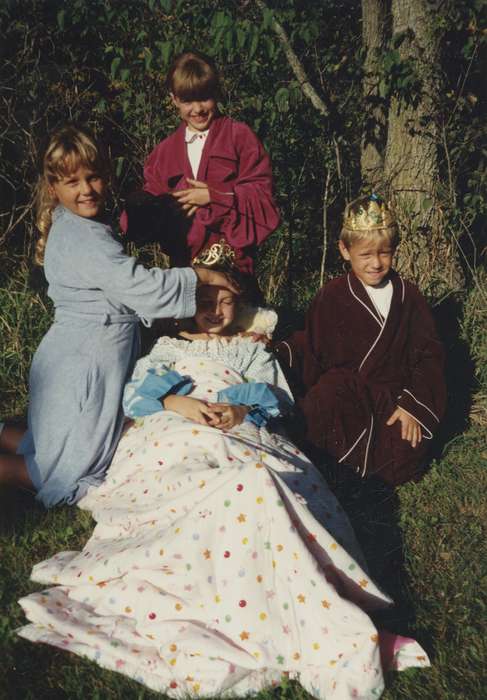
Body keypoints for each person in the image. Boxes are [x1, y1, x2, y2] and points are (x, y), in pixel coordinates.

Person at [19, 249, 430, 698]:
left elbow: (277, 401)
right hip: (175, 427)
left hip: (240, 427)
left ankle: (293, 580)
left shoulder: (249, 350)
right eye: (204, 301)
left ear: (241, 304)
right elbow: (137, 397)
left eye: (225, 301)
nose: (214, 311)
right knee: (204, 475)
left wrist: (241, 408)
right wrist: (177, 403)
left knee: (261, 476)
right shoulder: (169, 348)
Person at [0, 125, 237, 508]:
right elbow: (138, 286)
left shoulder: (80, 228)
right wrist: (201, 276)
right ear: (53, 190)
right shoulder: (83, 237)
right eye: (72, 182)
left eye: (92, 177)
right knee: (63, 469)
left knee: (60, 442)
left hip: (79, 354)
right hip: (84, 362)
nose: (86, 189)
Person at [275, 194, 446, 486]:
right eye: (365, 255)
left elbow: (428, 357)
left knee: (405, 451)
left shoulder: (409, 297)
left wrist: (413, 406)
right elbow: (311, 347)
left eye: (385, 253)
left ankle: (347, 468)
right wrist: (276, 353)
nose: (376, 264)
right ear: (344, 250)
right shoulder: (331, 295)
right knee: (324, 401)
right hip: (343, 399)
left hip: (392, 403)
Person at [120, 50, 280, 288]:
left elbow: (263, 198)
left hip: (234, 267)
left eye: (204, 98)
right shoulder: (163, 153)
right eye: (187, 101)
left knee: (242, 324)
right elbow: (149, 208)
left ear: (216, 93)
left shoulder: (239, 136)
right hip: (185, 271)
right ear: (174, 99)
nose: (197, 109)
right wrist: (141, 208)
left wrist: (214, 197)